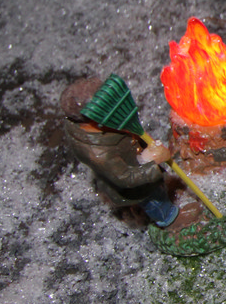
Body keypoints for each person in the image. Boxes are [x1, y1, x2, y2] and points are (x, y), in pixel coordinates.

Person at [60, 77, 196, 229]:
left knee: (159, 190)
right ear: (91, 118)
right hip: (135, 185)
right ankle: (171, 221)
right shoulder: (99, 153)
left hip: (135, 157)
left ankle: (163, 198)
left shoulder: (104, 124)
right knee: (154, 201)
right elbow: (126, 178)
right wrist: (153, 162)